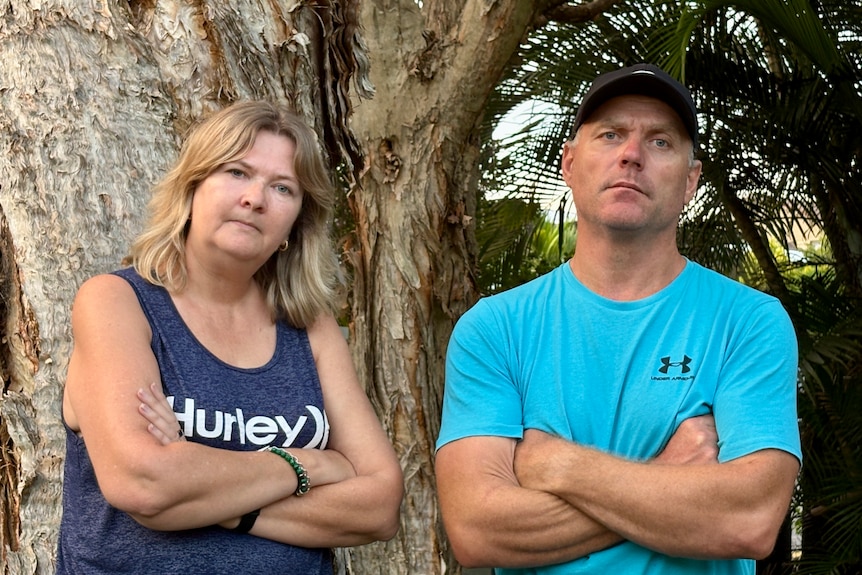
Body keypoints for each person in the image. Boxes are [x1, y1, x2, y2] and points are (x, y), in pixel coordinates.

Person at [435, 63, 801, 574]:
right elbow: (477, 531)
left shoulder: (748, 323)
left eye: (660, 142)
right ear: (569, 163)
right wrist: (668, 473)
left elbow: (749, 520)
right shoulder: (494, 329)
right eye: (610, 135)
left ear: (691, 181)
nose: (631, 154)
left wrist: (555, 464)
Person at [58, 100, 404, 574]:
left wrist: (206, 488)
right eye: (237, 172)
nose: (255, 199)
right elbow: (144, 484)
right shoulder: (117, 302)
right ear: (192, 187)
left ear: (295, 223)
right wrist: (308, 466)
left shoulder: (309, 327)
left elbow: (380, 505)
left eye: (282, 188)